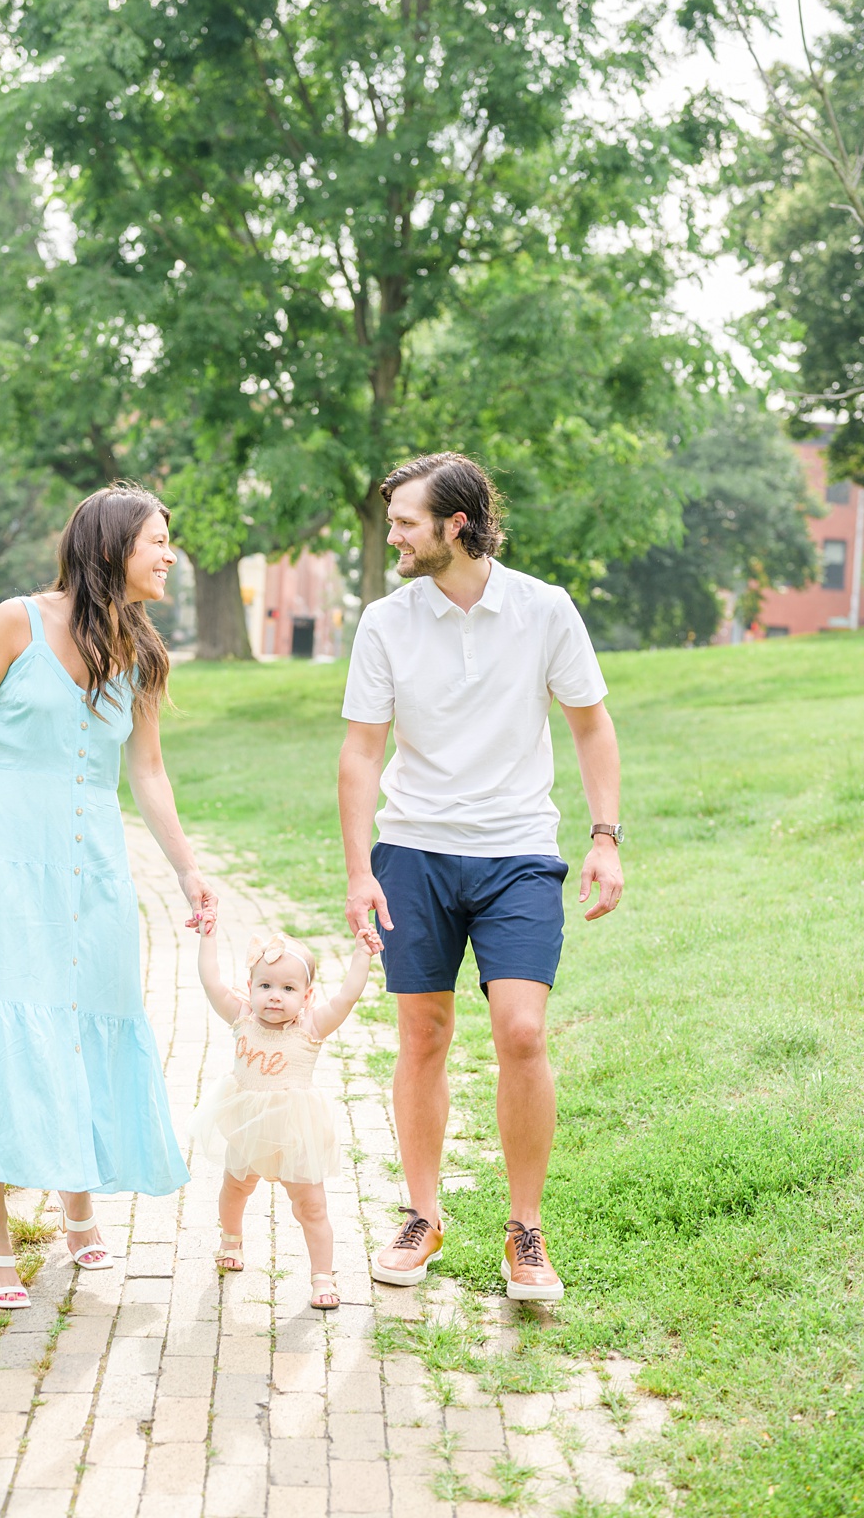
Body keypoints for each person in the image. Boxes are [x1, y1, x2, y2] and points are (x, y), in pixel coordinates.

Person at [338, 452, 623, 1301]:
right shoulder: (386, 623)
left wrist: (605, 837)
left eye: (404, 523)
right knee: (422, 1036)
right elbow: (360, 754)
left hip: (518, 853)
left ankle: (525, 1232)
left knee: (522, 1033)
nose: (392, 536)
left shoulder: (544, 610)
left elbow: (592, 727)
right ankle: (422, 1216)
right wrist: (361, 871)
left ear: (456, 526)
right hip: (414, 851)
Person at [0, 484, 213, 1309]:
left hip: (97, 865)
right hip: (15, 855)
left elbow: (147, 772)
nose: (169, 554)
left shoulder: (144, 651)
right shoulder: (16, 620)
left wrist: (189, 869)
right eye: (158, 540)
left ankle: (77, 1196)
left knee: (92, 1018)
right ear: (112, 545)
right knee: (13, 1020)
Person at [192, 929, 379, 1310]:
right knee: (236, 1187)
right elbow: (211, 980)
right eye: (265, 985)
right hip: (249, 1129)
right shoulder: (243, 1017)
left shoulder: (310, 1027)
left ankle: (322, 1276)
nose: (275, 995)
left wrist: (362, 955)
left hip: (295, 1133)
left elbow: (347, 997)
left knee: (311, 1206)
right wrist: (209, 936)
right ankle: (231, 1238)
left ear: (307, 997)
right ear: (250, 987)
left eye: (289, 989)